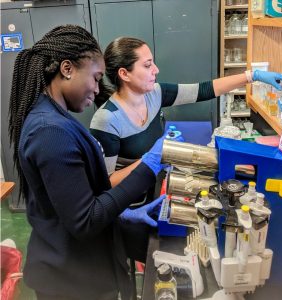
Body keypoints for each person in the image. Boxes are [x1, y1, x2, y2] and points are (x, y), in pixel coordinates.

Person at [8, 25, 167, 300]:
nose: (97, 89)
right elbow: (84, 220)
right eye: (94, 78)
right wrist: (149, 165)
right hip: (70, 280)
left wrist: (123, 216)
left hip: (81, 267)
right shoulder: (50, 131)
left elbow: (76, 197)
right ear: (67, 69)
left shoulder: (57, 117)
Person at [90, 37, 282, 188]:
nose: (156, 70)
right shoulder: (107, 119)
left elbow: (204, 90)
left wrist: (252, 76)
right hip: (131, 200)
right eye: (147, 65)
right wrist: (149, 160)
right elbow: (107, 182)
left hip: (156, 182)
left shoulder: (155, 94)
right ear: (124, 74)